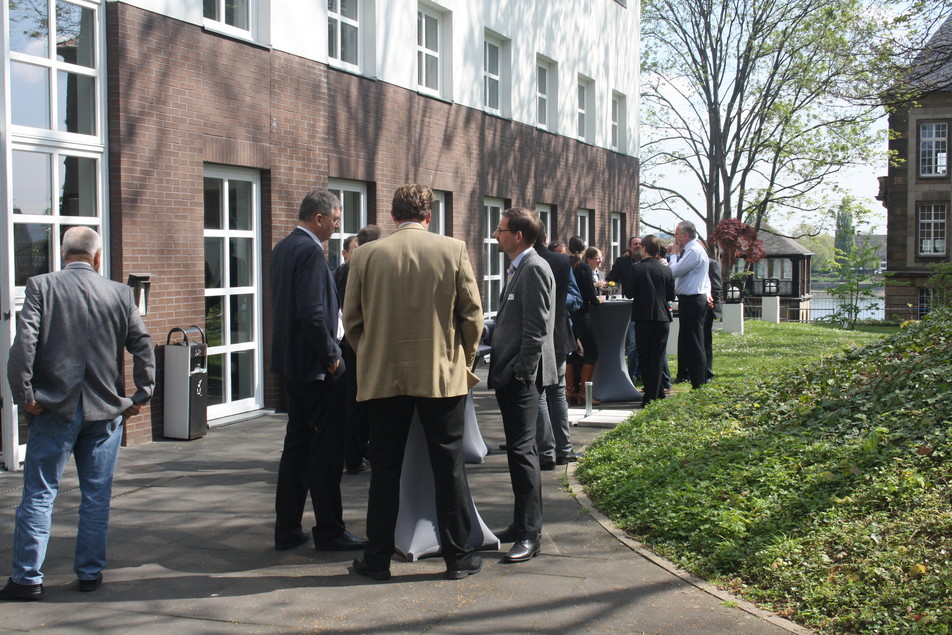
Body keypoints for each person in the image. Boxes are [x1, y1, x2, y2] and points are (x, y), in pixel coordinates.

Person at [2, 227, 155, 600]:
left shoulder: (41, 286)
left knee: (39, 495)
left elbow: (24, 344)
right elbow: (143, 346)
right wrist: (140, 395)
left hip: (54, 408)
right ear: (97, 257)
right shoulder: (119, 294)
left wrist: (24, 393)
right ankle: (89, 573)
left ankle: (27, 579)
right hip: (105, 413)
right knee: (96, 497)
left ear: (63, 253)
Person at [344, 184, 484, 581]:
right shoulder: (452, 249)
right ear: (429, 216)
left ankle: (376, 560)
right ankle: (458, 558)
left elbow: (351, 320)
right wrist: (463, 359)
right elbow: (472, 317)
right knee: (448, 467)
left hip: (383, 375)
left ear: (392, 215)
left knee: (385, 470)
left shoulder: (365, 255)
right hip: (441, 375)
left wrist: (371, 354)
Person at [270, 188, 366, 553]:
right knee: (326, 452)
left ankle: (288, 528)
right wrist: (333, 357)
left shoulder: (283, 248)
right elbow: (311, 314)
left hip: (293, 366)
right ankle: (329, 530)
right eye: (336, 219)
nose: (338, 226)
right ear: (319, 218)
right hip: (317, 368)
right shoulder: (310, 251)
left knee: (296, 447)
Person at [489, 208, 556, 564]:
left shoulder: (534, 269)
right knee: (519, 452)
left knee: (523, 452)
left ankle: (530, 534)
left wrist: (521, 372)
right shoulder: (519, 268)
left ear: (518, 235)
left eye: (500, 230)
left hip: (522, 379)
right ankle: (520, 524)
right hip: (513, 375)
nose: (495, 234)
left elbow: (536, 329)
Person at [533, 233, 581, 471]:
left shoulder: (523, 261)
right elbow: (576, 298)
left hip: (541, 334)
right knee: (557, 392)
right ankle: (564, 450)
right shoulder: (564, 262)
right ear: (544, 237)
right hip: (560, 334)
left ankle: (546, 452)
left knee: (542, 392)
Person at [339, 224, 381, 476]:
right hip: (362, 343)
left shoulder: (344, 270)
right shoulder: (366, 269)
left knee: (354, 401)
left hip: (350, 343)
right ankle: (356, 456)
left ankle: (356, 453)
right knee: (361, 402)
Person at [628, 235, 675, 407]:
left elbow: (629, 293)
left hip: (643, 317)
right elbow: (671, 295)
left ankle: (650, 396)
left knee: (645, 357)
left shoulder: (637, 269)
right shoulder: (667, 270)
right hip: (662, 317)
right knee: (658, 357)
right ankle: (657, 392)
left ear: (645, 249)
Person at [667, 221, 711, 389]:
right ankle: (697, 380)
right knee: (691, 341)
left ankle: (699, 382)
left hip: (693, 300)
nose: (675, 237)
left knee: (693, 342)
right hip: (691, 300)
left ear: (685, 235)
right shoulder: (694, 250)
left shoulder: (693, 251)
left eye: (677, 234)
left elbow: (674, 272)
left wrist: (673, 255)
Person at [568, 246, 603, 404]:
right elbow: (590, 295)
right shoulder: (583, 268)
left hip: (568, 314)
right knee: (592, 351)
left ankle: (570, 391)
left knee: (570, 351)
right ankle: (584, 393)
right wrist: (598, 300)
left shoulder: (567, 265)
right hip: (581, 314)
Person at [607, 236, 643, 382]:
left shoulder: (647, 261)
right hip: (629, 306)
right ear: (629, 247)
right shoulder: (622, 262)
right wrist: (611, 291)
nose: (638, 246)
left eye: (640, 244)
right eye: (635, 244)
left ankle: (641, 372)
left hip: (645, 306)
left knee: (642, 341)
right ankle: (632, 373)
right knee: (634, 342)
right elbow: (612, 279)